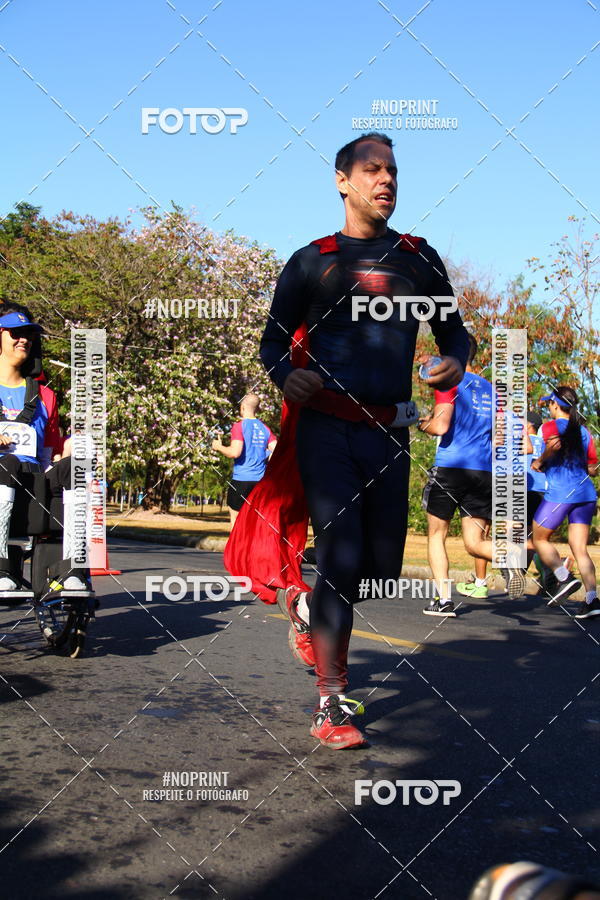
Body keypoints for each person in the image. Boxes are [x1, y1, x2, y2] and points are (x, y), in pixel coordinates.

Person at [258, 132, 470, 748]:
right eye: (373, 170)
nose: (387, 181)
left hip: (389, 430)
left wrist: (453, 365)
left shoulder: (418, 258)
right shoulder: (312, 261)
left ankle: (304, 607)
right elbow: (272, 343)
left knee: (376, 568)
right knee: (343, 555)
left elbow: (456, 335)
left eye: (394, 172)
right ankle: (332, 703)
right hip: (325, 429)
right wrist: (284, 374)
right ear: (342, 180)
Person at [419, 334, 504, 615]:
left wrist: (420, 423)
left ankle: (444, 601)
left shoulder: (448, 381)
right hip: (483, 471)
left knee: (437, 534)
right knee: (474, 543)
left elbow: (441, 427)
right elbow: (501, 438)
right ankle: (515, 555)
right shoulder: (492, 390)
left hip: (451, 468)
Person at [0, 302, 61, 594]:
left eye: (28, 334)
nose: (23, 338)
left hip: (32, 479)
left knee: (72, 472)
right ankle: (4, 568)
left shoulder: (46, 396)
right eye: (15, 332)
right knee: (7, 464)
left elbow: (52, 450)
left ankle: (68, 574)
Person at [532, 386, 599, 617]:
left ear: (555, 405)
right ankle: (592, 600)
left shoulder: (550, 426)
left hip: (561, 493)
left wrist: (540, 462)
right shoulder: (584, 432)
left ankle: (564, 577)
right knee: (580, 548)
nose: (549, 409)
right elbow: (593, 469)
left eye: (549, 404)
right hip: (586, 494)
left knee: (539, 537)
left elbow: (554, 445)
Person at [212, 393, 277, 526]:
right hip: (260, 484)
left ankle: (237, 548)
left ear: (242, 408)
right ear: (257, 409)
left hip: (241, 481)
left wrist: (218, 447)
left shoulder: (239, 426)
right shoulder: (265, 429)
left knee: (236, 524)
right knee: (255, 524)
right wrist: (264, 457)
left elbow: (235, 452)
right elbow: (276, 451)